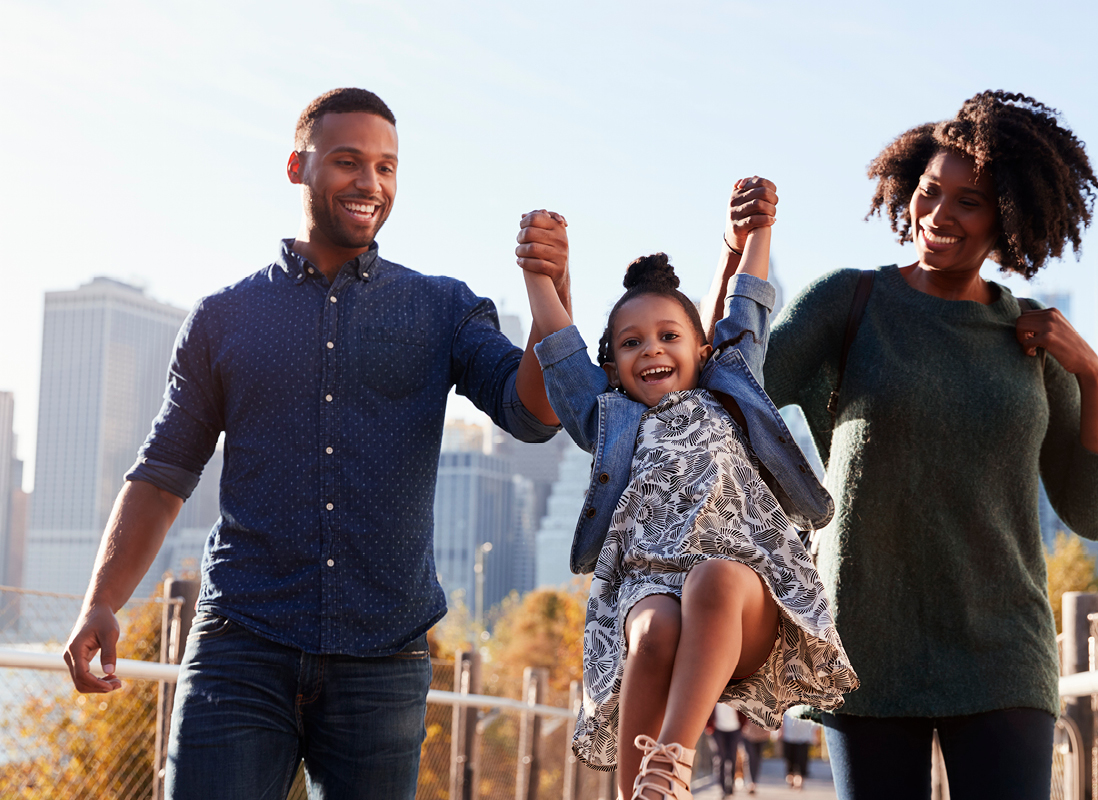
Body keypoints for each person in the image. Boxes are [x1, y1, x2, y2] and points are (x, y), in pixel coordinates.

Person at [61, 88, 569, 799]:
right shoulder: (223, 319)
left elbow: (531, 415)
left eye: (388, 167)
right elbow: (164, 473)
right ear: (298, 167)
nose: (371, 183)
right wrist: (102, 601)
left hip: (383, 661)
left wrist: (551, 297)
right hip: (242, 644)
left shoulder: (442, 308)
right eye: (348, 161)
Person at [705, 92, 1098, 799]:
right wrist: (733, 255)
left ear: (1010, 216)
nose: (939, 215)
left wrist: (1090, 374)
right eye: (931, 193)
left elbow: (1093, 512)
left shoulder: (1031, 338)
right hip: (866, 649)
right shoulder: (852, 302)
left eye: (970, 201)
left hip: (1005, 654)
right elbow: (729, 389)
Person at [518, 189, 859, 800]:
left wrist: (758, 234)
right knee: (652, 631)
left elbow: (748, 304)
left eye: (667, 335)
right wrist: (538, 276)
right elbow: (561, 349)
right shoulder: (611, 419)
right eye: (631, 343)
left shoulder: (731, 385)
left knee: (714, 578)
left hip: (747, 594)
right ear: (615, 364)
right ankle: (639, 792)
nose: (650, 348)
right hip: (651, 583)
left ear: (701, 350)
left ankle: (672, 760)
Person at [780, 706, 815, 790]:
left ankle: (799, 780)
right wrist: (780, 732)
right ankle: (790, 777)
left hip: (803, 737)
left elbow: (813, 720)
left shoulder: (807, 705)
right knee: (789, 759)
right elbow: (781, 718)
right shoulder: (787, 704)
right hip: (788, 736)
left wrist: (813, 736)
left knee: (802, 760)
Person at [740, 715, 773, 794]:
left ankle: (754, 781)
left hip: (762, 733)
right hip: (747, 733)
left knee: (757, 759)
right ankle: (750, 782)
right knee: (750, 757)